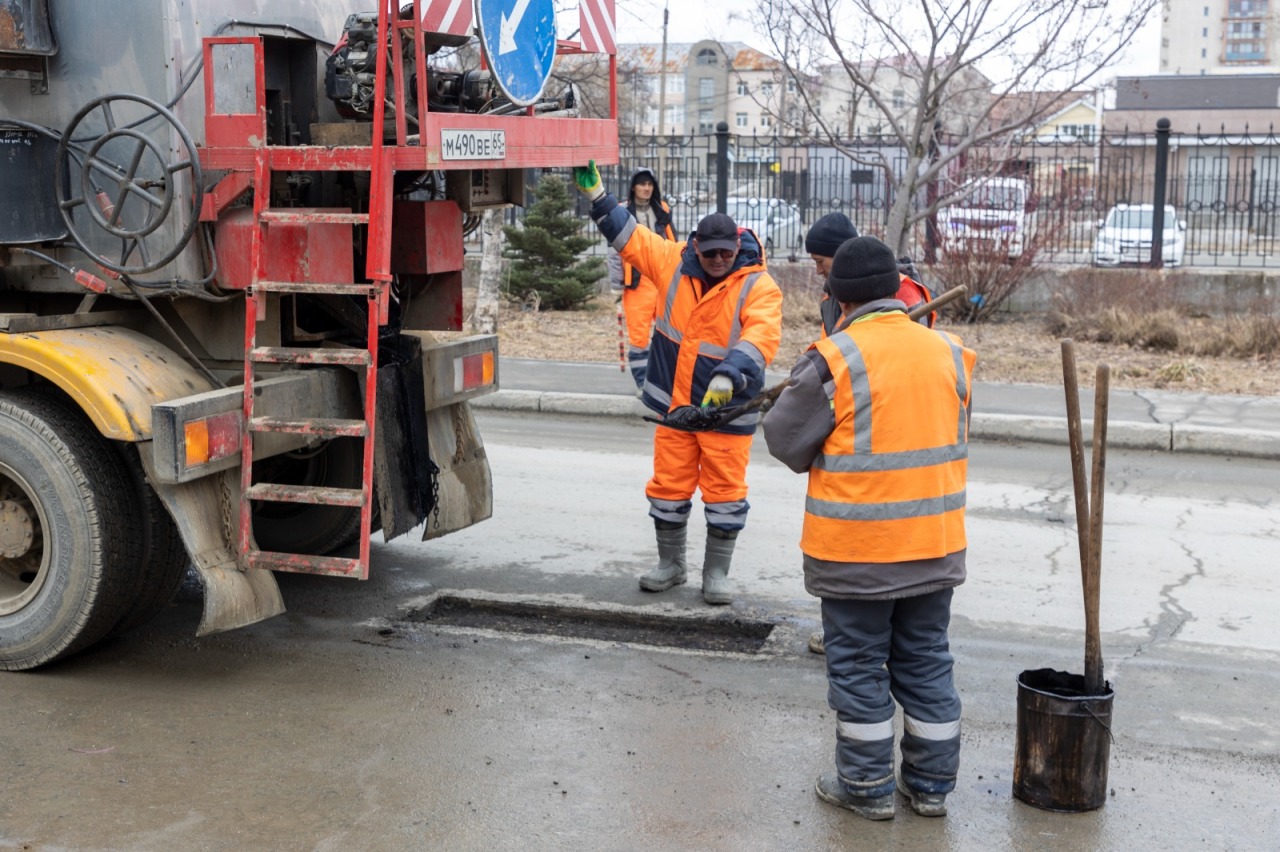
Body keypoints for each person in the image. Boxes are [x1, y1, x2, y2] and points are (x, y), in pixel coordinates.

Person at [762, 235, 976, 821]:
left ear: (837, 297)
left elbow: (785, 441)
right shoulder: (950, 353)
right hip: (933, 547)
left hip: (858, 554)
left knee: (858, 667)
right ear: (893, 287)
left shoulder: (836, 358)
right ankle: (930, 787)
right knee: (927, 660)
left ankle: (867, 787)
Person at [574, 160, 783, 606]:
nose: (719, 261)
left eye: (726, 253)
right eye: (711, 254)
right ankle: (671, 565)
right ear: (697, 249)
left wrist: (730, 373)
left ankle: (716, 573)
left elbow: (761, 335)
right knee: (668, 487)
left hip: (728, 412)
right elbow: (630, 237)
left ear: (736, 248)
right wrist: (596, 197)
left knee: (725, 492)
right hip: (676, 408)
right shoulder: (673, 262)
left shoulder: (758, 286)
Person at [802, 216, 940, 656]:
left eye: (821, 261)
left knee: (883, 546)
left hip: (891, 429)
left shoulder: (901, 293)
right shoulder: (835, 294)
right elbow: (840, 348)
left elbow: (898, 364)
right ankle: (859, 632)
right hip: (855, 423)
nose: (818, 270)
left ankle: (864, 637)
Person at [805, 212, 936, 340]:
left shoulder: (902, 289)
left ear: (840, 256)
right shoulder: (831, 297)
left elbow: (916, 347)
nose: (818, 270)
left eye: (820, 261)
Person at [607, 168, 677, 389]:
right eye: (642, 184)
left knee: (670, 333)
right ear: (633, 187)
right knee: (639, 337)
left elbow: (674, 243)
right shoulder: (622, 212)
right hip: (637, 283)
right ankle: (643, 385)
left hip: (663, 279)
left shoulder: (662, 209)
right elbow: (614, 251)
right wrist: (617, 285)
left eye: (650, 184)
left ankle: (665, 382)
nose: (646, 188)